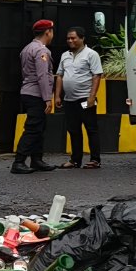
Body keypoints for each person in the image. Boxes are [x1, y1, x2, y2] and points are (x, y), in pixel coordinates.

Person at [56, 26, 105, 169]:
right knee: (73, 130)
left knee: (91, 128)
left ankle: (95, 160)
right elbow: (60, 76)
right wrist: (57, 96)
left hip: (85, 99)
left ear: (82, 38)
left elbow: (97, 75)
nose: (70, 41)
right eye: (68, 38)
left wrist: (92, 97)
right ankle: (75, 160)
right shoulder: (65, 55)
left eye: (73, 38)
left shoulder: (91, 54)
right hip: (69, 100)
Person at [13, 19, 57, 174]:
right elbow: (42, 75)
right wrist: (47, 98)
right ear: (48, 32)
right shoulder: (41, 51)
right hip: (36, 94)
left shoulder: (27, 48)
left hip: (27, 92)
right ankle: (19, 161)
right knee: (33, 129)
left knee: (39, 128)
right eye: (52, 31)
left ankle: (37, 160)